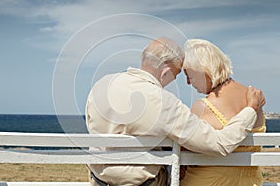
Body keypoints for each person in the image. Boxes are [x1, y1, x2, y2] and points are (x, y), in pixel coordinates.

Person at [85, 37, 265, 186]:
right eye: (178, 75)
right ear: (165, 73)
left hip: (98, 180)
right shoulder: (163, 102)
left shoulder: (101, 85)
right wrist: (251, 109)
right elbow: (218, 144)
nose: (183, 82)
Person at [180, 38, 266, 186]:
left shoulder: (203, 106)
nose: (189, 83)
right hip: (251, 182)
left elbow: (185, 150)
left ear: (204, 72)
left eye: (190, 77)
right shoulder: (254, 97)